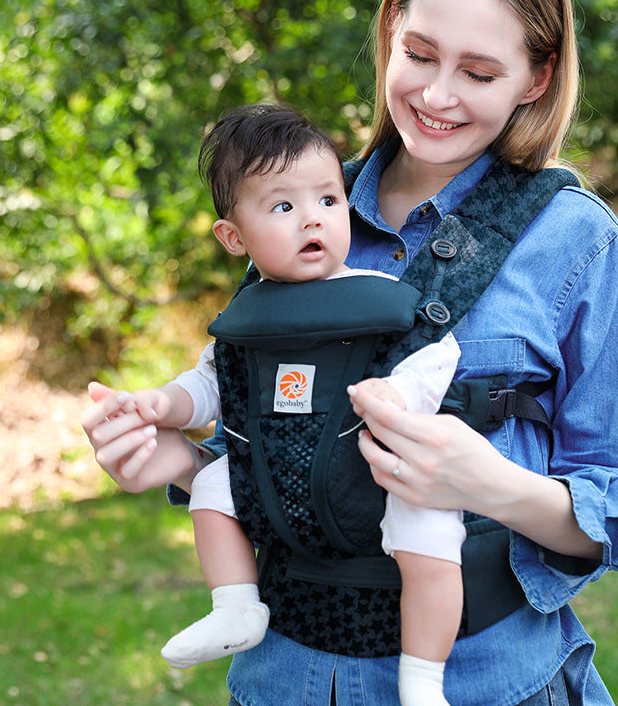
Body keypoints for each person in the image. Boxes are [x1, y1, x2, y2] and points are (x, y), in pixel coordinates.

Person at [82, 0, 618, 706]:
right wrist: (177, 463)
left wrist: (492, 486)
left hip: (489, 682)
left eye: (480, 72)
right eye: (419, 54)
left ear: (536, 78)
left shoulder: (579, 243)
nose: (436, 94)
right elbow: (262, 448)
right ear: (391, 27)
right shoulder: (293, 215)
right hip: (286, 680)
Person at [108, 102, 465, 706]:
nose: (312, 221)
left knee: (431, 528)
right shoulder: (249, 321)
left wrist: (397, 393)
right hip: (281, 488)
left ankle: (423, 677)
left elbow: (439, 352)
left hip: (377, 472)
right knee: (216, 480)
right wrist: (156, 405)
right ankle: (237, 606)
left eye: (328, 201)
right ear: (233, 236)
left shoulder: (379, 295)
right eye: (282, 206)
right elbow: (206, 388)